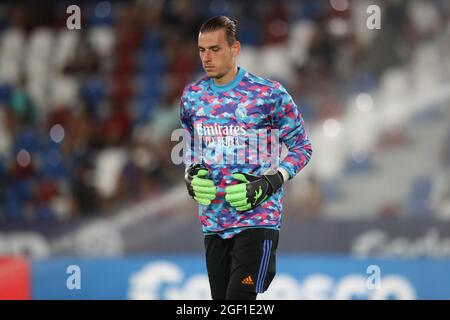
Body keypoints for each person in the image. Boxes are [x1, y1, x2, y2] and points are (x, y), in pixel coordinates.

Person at [180, 16, 312, 300]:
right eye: (202, 50)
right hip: (213, 222)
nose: (207, 57)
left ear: (235, 48)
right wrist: (191, 173)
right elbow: (191, 147)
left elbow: (302, 147)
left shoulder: (268, 94)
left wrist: (272, 181)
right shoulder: (192, 97)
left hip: (257, 221)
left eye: (215, 49)